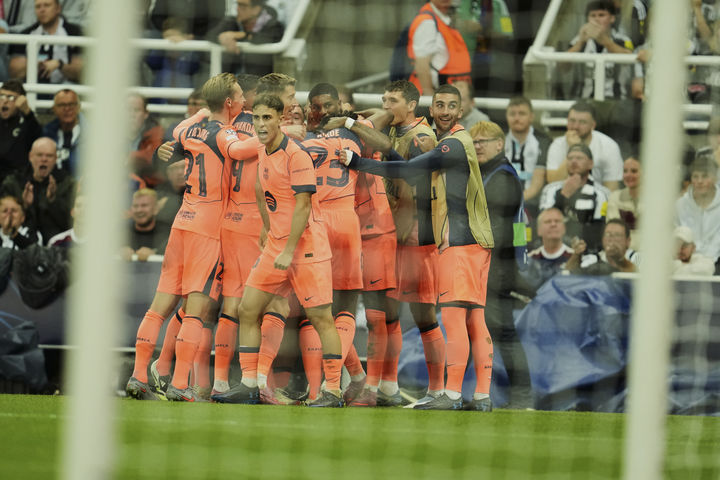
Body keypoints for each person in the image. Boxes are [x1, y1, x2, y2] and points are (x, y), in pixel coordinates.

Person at [341, 84, 494, 411]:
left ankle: (446, 392)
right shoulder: (434, 138)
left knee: (439, 318)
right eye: (439, 105)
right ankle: (474, 395)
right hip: (452, 239)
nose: (444, 111)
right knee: (464, 320)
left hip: (437, 238)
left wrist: (356, 155)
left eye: (392, 100)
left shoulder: (442, 141)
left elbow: (409, 175)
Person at [212, 94, 346, 407]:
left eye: (267, 118)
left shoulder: (296, 155)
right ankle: (249, 385)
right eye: (257, 118)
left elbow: (303, 206)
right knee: (247, 309)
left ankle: (333, 391)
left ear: (280, 119)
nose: (261, 124)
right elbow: (261, 189)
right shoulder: (263, 150)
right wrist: (266, 225)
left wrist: (288, 249)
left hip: (306, 247)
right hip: (276, 245)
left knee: (321, 318)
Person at [125, 72, 246, 402]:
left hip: (182, 221)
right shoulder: (226, 135)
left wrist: (201, 113)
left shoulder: (188, 130)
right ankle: (180, 384)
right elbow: (243, 148)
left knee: (158, 307)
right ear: (229, 102)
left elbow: (179, 130)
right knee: (195, 311)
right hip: (208, 229)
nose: (243, 101)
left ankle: (138, 376)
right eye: (239, 96)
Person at [328, 79, 444, 408]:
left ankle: (439, 391)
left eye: (392, 100)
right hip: (392, 232)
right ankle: (387, 388)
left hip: (417, 235)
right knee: (386, 316)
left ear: (412, 105)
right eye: (384, 99)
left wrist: (353, 124)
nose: (386, 106)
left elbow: (411, 186)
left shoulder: (421, 138)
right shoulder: (394, 129)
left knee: (424, 316)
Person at [470, 119, 532, 408]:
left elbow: (497, 229)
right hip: (496, 264)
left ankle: (522, 395)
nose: (478, 146)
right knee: (483, 329)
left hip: (495, 266)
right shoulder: (496, 173)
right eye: (474, 141)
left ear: (500, 144)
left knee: (501, 331)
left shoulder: (501, 178)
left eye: (483, 141)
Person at [0, 137, 75, 243]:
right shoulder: (14, 182)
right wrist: (24, 206)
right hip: (18, 242)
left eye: (49, 155)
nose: (44, 159)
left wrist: (53, 201)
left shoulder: (67, 183)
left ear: (56, 158)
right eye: (39, 155)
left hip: (56, 245)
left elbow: (71, 223)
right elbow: (4, 220)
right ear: (30, 156)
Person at [539, 143, 610, 253]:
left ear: (590, 164)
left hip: (588, 251)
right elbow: (544, 224)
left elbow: (599, 229)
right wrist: (563, 195)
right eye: (570, 158)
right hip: (554, 249)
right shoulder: (550, 190)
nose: (574, 161)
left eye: (579, 158)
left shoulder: (602, 193)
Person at [545, 101, 623, 191]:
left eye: (582, 122)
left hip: (597, 196)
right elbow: (553, 182)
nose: (575, 126)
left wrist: (577, 147)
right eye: (572, 121)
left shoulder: (609, 146)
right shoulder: (557, 145)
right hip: (563, 196)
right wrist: (574, 148)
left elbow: (612, 189)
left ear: (593, 125)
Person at [565, 0, 633, 99]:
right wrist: (580, 43)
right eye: (593, 16)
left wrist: (605, 41)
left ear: (612, 18)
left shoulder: (623, 40)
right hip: (583, 99)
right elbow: (563, 67)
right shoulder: (578, 39)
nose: (596, 19)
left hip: (615, 100)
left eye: (601, 15)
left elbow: (630, 60)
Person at [8, 0, 84, 84]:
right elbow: (14, 72)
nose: (42, 10)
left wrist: (59, 64)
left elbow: (82, 71)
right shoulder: (26, 34)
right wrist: (33, 64)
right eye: (38, 7)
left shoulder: (75, 32)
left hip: (66, 88)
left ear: (58, 8)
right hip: (33, 85)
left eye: (47, 5)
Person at [407, 0, 472, 96]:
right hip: (434, 97)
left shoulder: (443, 19)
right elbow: (421, 65)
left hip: (447, 94)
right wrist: (430, 97)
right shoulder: (427, 22)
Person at [208, 0, 285, 77]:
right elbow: (210, 35)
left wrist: (242, 35)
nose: (237, 9)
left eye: (242, 6)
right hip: (232, 80)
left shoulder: (273, 26)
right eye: (238, 5)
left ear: (256, 9)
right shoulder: (232, 22)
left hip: (259, 81)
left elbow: (263, 38)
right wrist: (221, 38)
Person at [503, 96, 551, 213]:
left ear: (531, 117)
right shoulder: (499, 141)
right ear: (506, 116)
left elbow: (537, 184)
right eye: (512, 114)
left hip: (533, 205)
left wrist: (514, 203)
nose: (517, 118)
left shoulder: (543, 142)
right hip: (502, 203)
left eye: (522, 114)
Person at [675, 153, 720, 265]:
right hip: (685, 262)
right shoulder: (680, 205)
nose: (700, 181)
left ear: (715, 178)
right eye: (695, 176)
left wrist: (706, 261)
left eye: (705, 176)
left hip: (716, 262)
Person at [522, 207, 574, 291]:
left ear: (564, 228)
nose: (553, 224)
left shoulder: (575, 257)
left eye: (557, 221)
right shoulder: (529, 260)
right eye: (548, 221)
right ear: (539, 230)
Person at [0, 80, 42, 179]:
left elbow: (38, 137)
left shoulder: (27, 123)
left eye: (11, 97)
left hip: (17, 179)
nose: (5, 101)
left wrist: (27, 112)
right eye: (2, 96)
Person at [566, 219, 637, 275]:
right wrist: (576, 255)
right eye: (608, 234)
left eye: (617, 235)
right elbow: (568, 275)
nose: (612, 239)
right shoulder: (593, 259)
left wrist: (621, 260)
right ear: (602, 239)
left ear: (628, 241)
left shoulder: (636, 258)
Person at [120, 188, 171, 261]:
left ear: (156, 209)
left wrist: (154, 254)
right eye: (135, 206)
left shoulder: (168, 233)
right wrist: (119, 252)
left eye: (144, 205)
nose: (139, 210)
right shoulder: (121, 233)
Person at [42, 88, 83, 178]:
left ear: (79, 107)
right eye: (61, 105)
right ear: (54, 109)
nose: (67, 109)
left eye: (71, 104)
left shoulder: (93, 135)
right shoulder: (47, 133)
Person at [128, 93, 165, 188]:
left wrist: (127, 157)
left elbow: (152, 157)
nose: (131, 115)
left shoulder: (156, 131)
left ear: (145, 114)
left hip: (148, 187)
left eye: (136, 110)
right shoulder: (111, 134)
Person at [606, 156, 641, 250]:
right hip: (623, 250)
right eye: (625, 171)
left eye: (634, 171)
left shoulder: (655, 199)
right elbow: (615, 230)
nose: (628, 175)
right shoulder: (614, 197)